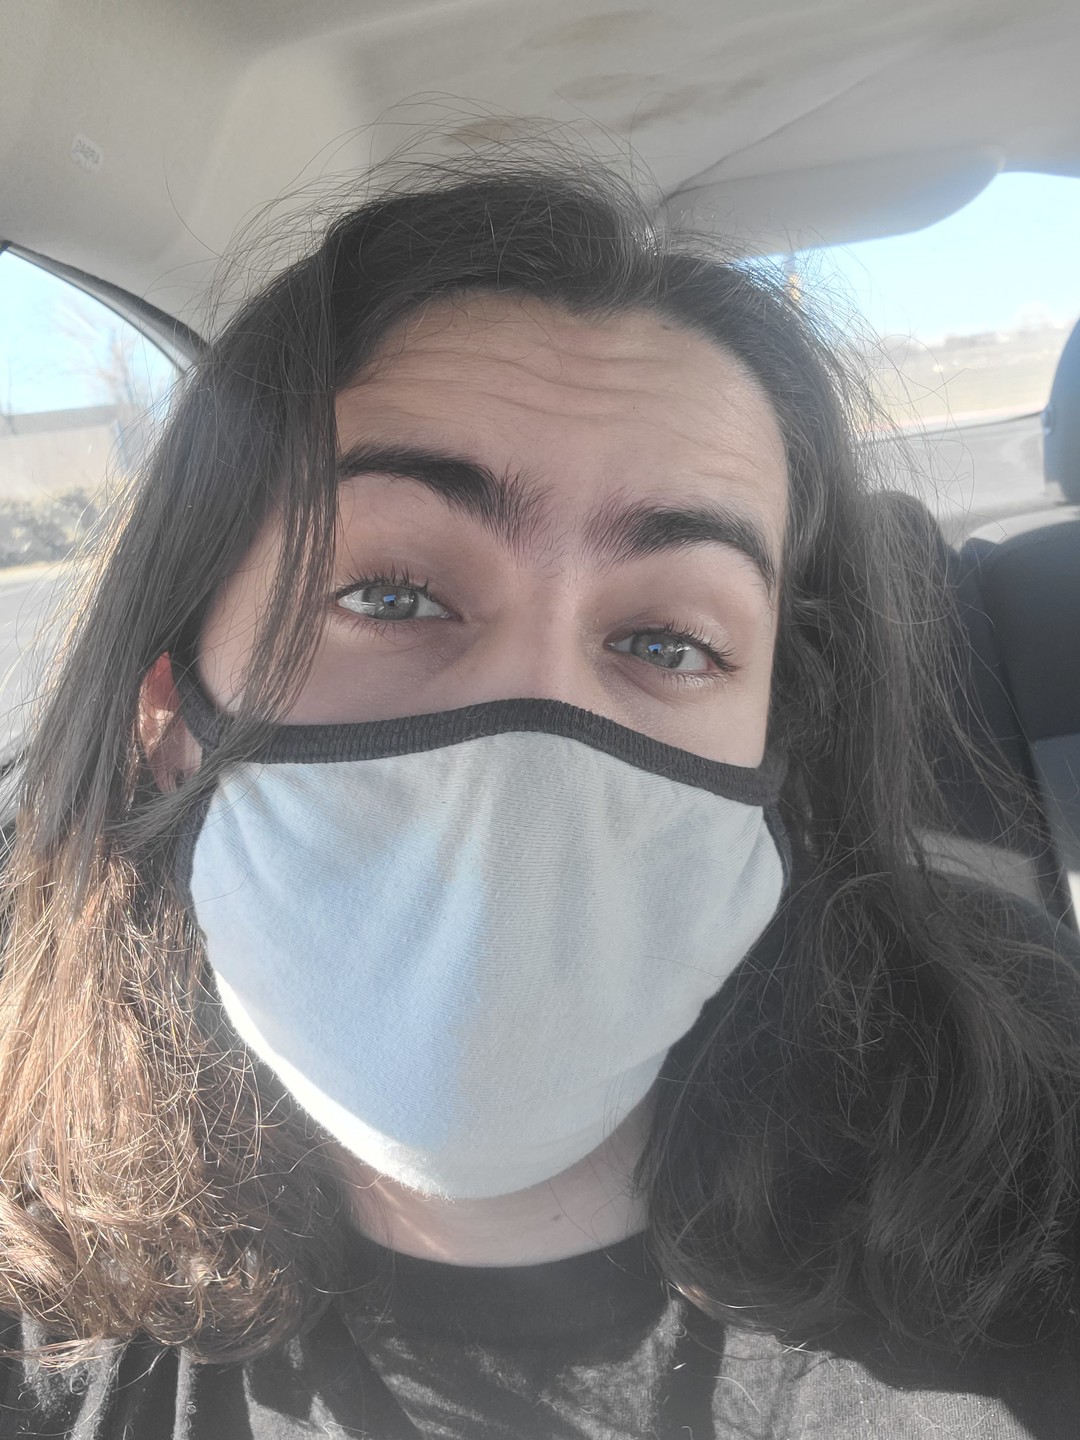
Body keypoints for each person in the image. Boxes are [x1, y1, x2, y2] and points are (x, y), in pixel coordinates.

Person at [0, 158, 1078, 1440]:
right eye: (391, 595)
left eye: (669, 642)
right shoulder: (36, 1290)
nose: (535, 732)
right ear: (172, 720)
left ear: (777, 751)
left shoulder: (1026, 1158)